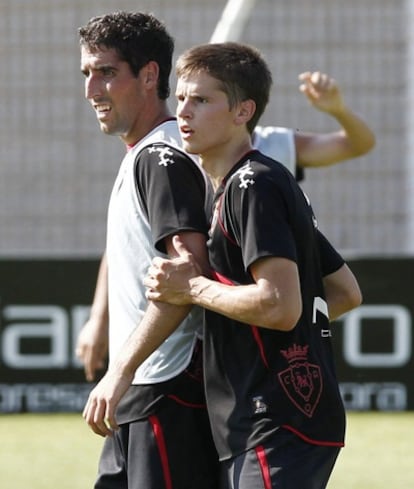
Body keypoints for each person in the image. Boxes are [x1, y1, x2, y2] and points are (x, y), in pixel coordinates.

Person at [144, 42, 362, 489]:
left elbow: (279, 307)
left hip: (274, 414)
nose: (183, 112)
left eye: (202, 100)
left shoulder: (251, 186)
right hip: (275, 416)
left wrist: (194, 289)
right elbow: (343, 292)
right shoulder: (253, 183)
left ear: (244, 111)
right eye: (181, 98)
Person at [78, 11, 218, 489]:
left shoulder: (162, 158)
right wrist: (102, 325)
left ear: (150, 75)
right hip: (144, 388)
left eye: (106, 72)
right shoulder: (144, 154)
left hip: (166, 387)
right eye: (87, 74)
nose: (91, 89)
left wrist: (121, 369)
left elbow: (188, 274)